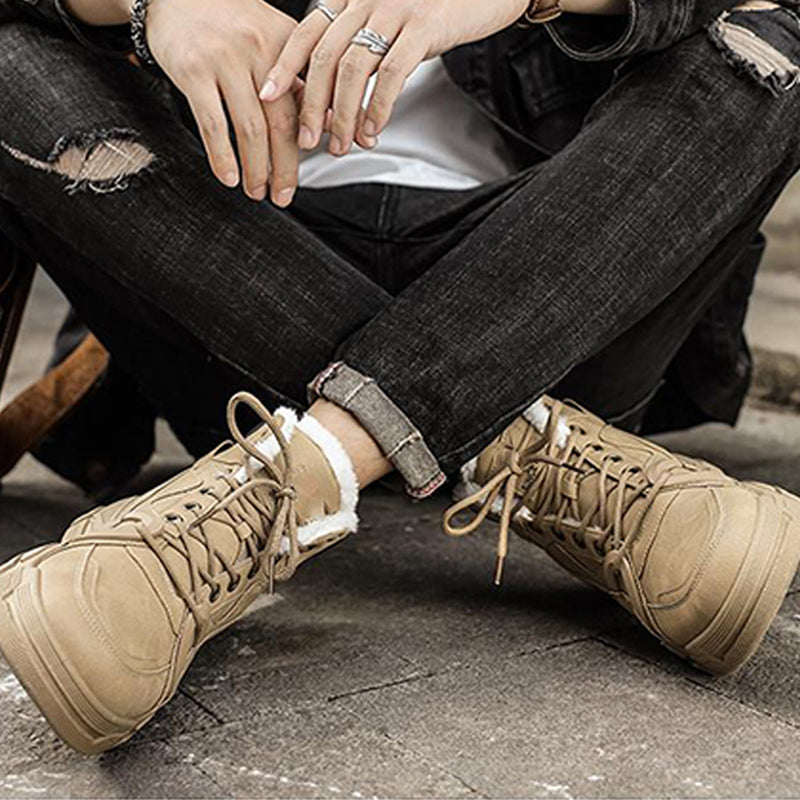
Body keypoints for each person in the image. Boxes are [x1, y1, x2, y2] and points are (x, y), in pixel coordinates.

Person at [1, 0, 800, 755]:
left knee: (769, 40)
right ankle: (525, 446)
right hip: (236, 268)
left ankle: (285, 483)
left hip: (558, 265)